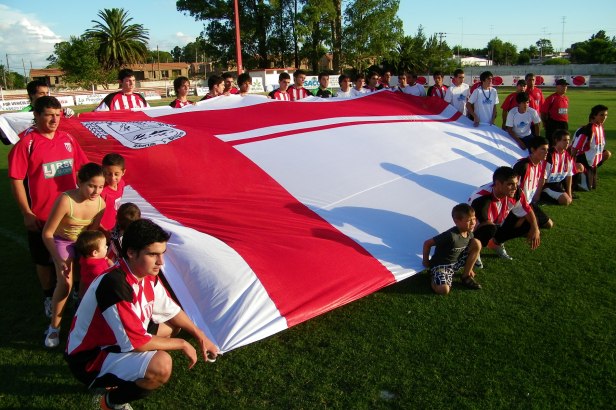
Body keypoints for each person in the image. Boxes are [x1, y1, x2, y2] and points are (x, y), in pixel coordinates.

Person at [65, 219, 219, 410]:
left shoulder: (147, 275)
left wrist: (201, 336)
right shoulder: (115, 285)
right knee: (161, 366)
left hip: (117, 339)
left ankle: (125, 370)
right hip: (90, 358)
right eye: (153, 254)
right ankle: (112, 402)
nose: (161, 262)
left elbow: (172, 311)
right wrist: (182, 343)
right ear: (131, 252)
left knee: (173, 326)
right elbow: (137, 342)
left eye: (162, 253)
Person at [8, 96, 89, 320]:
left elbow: (83, 169)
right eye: (49, 115)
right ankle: (48, 296)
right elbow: (16, 179)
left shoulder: (68, 139)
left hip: (71, 213)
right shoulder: (27, 143)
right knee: (43, 260)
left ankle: (74, 295)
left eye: (58, 114)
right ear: (36, 116)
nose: (55, 119)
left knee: (77, 256)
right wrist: (27, 212)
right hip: (43, 215)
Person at [42, 162, 106, 348]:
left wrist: (92, 257)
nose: (96, 191)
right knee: (65, 282)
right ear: (79, 181)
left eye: (100, 187)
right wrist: (58, 258)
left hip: (82, 242)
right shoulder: (66, 200)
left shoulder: (101, 203)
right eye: (91, 185)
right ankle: (54, 327)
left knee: (92, 278)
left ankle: (82, 313)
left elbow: (91, 236)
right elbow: (47, 233)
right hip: (61, 241)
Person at [469, 166, 541, 262]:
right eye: (510, 184)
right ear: (498, 184)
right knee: (489, 229)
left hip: (497, 223)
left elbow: (527, 210)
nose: (515, 187)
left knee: (529, 222)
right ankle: (475, 249)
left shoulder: (516, 192)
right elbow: (479, 223)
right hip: (477, 227)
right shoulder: (481, 197)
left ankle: (496, 243)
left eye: (516, 183)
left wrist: (535, 228)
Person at [422, 203, 482, 294]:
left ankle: (466, 276)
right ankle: (433, 276)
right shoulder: (450, 235)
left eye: (474, 218)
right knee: (444, 290)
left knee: (477, 243)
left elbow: (470, 248)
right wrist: (426, 262)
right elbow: (427, 243)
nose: (473, 223)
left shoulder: (469, 233)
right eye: (469, 220)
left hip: (456, 263)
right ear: (457, 221)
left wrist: (470, 268)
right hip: (442, 266)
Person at [512, 136, 553, 229]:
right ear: (533, 149)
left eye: (547, 149)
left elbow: (541, 180)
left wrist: (537, 195)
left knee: (549, 224)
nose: (546, 152)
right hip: (518, 205)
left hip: (528, 203)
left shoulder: (540, 164)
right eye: (543, 149)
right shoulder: (523, 166)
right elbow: (513, 191)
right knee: (527, 227)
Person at [571, 104, 612, 190]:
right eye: (601, 115)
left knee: (592, 186)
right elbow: (575, 148)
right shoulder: (588, 129)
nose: (604, 117)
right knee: (587, 188)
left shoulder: (600, 127)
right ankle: (577, 175)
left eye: (606, 115)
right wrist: (572, 164)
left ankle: (589, 174)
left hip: (593, 160)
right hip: (583, 160)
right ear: (594, 115)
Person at [75, 230, 113, 298]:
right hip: (98, 296)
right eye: (105, 246)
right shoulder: (97, 269)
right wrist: (112, 266)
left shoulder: (86, 259)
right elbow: (108, 281)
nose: (107, 247)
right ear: (95, 253)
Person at [542, 129, 576, 205]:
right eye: (564, 140)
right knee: (566, 201)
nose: (567, 142)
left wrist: (569, 192)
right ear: (557, 140)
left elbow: (569, 175)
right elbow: (542, 177)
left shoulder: (568, 154)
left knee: (568, 199)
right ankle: (542, 194)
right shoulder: (549, 155)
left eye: (568, 140)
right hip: (547, 184)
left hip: (558, 183)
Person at [100, 153, 127, 235]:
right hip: (101, 231)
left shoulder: (122, 183)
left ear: (123, 172)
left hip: (113, 228)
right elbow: (93, 216)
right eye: (108, 173)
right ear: (102, 171)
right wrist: (104, 231)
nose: (112, 178)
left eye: (116, 174)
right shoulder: (100, 191)